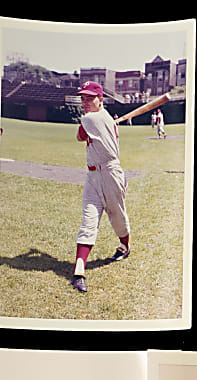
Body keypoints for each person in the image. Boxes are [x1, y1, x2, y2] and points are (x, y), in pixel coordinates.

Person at [71, 82, 131, 294]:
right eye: (83, 98)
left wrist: (96, 124)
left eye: (90, 98)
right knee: (89, 219)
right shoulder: (101, 118)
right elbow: (84, 136)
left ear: (100, 99)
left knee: (117, 216)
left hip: (110, 173)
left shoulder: (91, 119)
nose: (85, 102)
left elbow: (79, 136)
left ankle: (124, 247)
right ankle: (79, 271)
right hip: (92, 175)